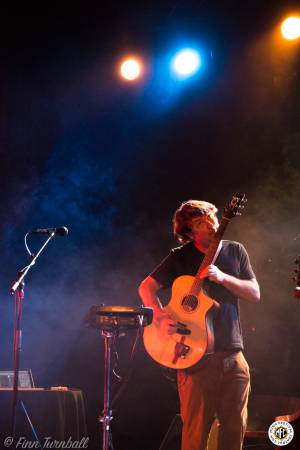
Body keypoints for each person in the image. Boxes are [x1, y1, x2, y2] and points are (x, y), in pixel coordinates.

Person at [138, 199, 260, 450]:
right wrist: (160, 318)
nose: (210, 223)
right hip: (194, 356)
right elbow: (146, 287)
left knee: (235, 429)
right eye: (200, 221)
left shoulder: (235, 250)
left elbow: (254, 293)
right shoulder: (179, 257)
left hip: (234, 354)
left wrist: (223, 277)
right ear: (189, 231)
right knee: (195, 433)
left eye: (212, 217)